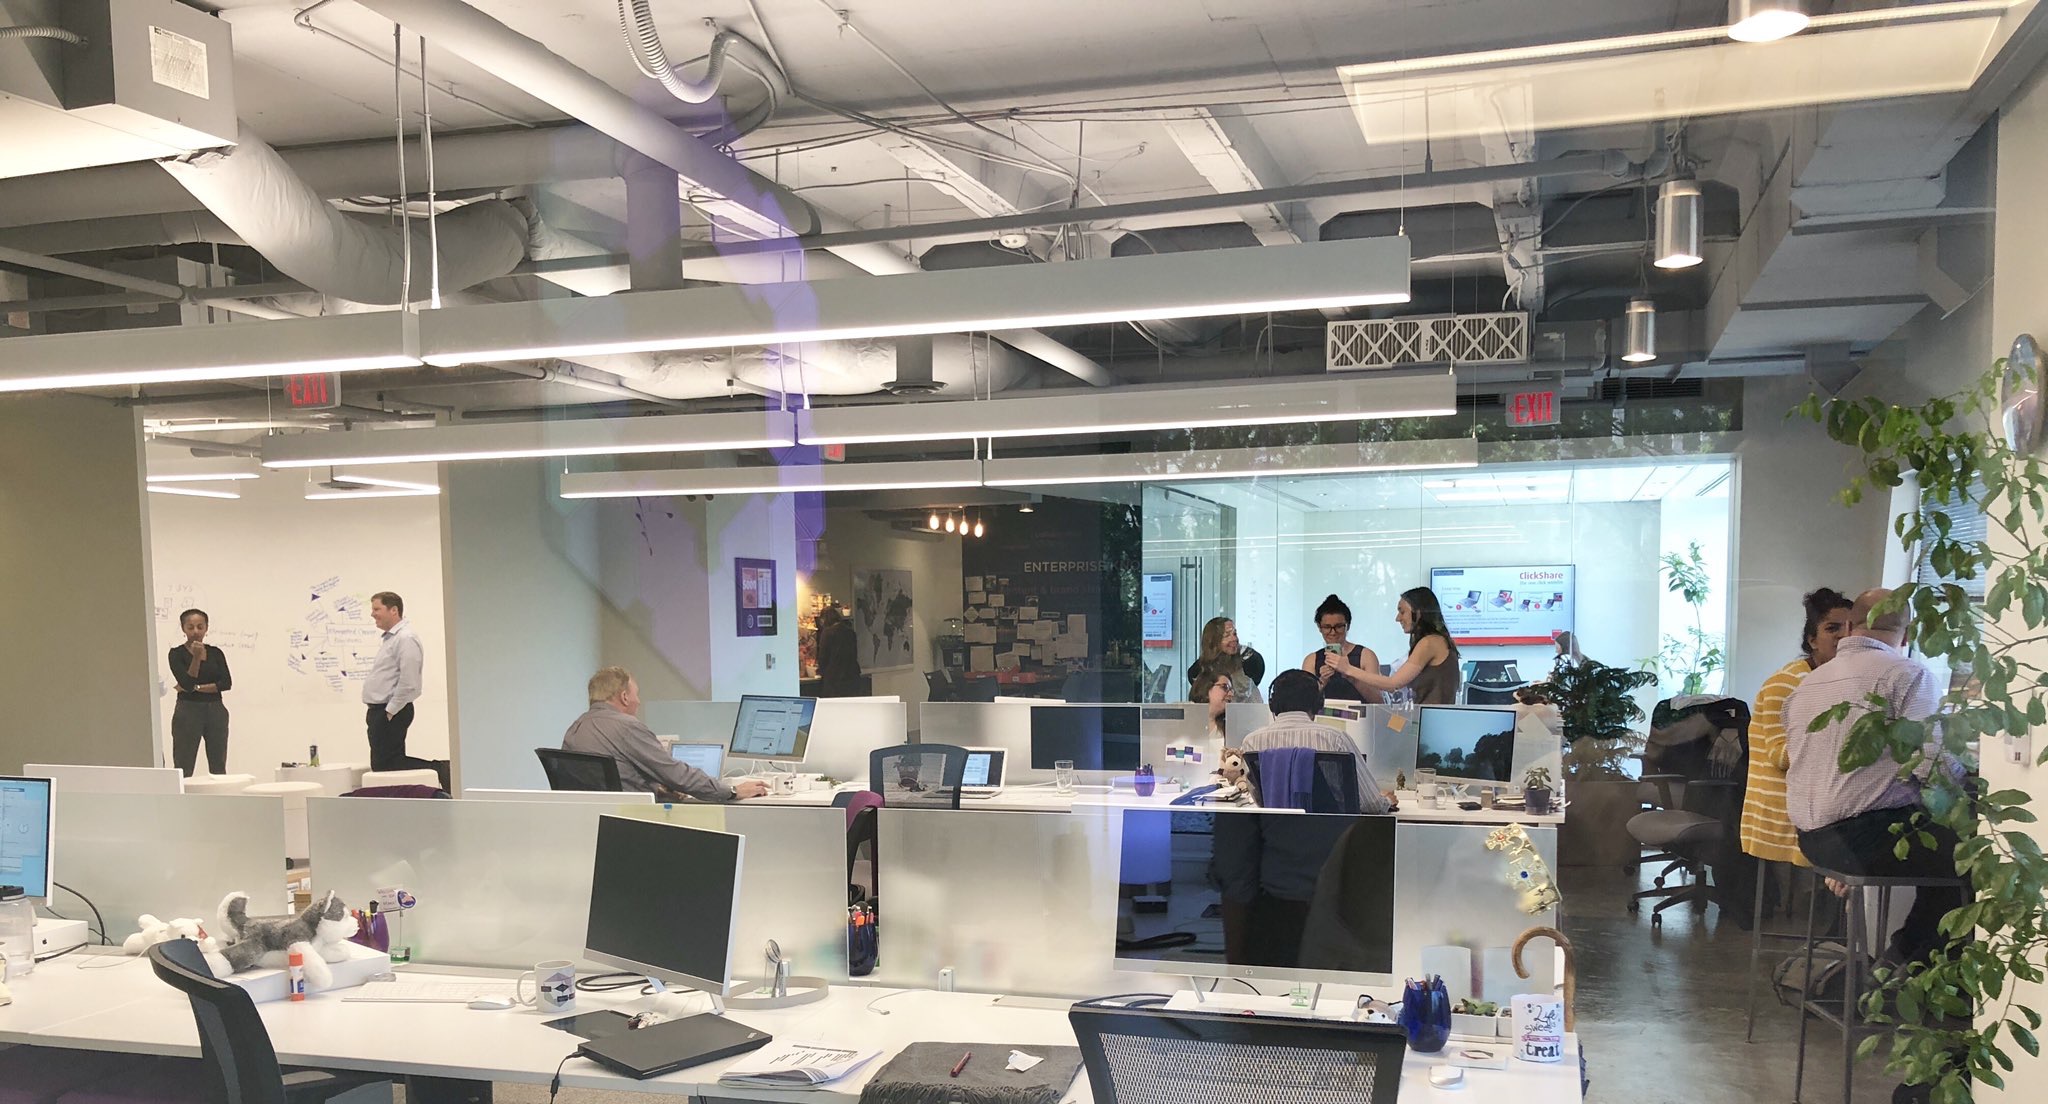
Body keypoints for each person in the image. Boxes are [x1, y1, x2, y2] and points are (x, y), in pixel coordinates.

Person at [1785, 588, 1965, 965]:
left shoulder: (1807, 684)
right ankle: (1906, 971)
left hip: (1812, 839)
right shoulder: (1908, 674)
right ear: (1908, 634)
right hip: (1866, 837)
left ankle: (1896, 967)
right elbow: (1933, 764)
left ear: (1850, 627)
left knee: (1942, 858)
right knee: (1970, 858)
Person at [1740, 587, 1853, 870]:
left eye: (1849, 628)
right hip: (1784, 815)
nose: (1843, 636)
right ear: (1812, 640)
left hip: (1819, 808)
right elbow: (1779, 755)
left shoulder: (1838, 680)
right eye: (1832, 628)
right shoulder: (1787, 683)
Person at [564, 667, 769, 801]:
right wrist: (732, 791)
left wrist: (658, 789)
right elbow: (678, 775)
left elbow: (610, 783)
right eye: (637, 695)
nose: (639, 701)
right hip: (634, 824)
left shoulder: (575, 729)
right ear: (624, 697)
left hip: (594, 824)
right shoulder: (627, 727)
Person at [1239, 669, 1391, 813]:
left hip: (1277, 829)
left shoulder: (1252, 742)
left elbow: (1261, 799)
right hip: (1331, 830)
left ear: (1273, 704)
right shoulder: (1335, 738)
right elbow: (1372, 804)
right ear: (1318, 704)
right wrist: (1386, 801)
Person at [1330, 587, 1462, 705]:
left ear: (1418, 613)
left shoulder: (1430, 643)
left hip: (1431, 719)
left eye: (1402, 612)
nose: (1398, 618)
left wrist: (1348, 669)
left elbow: (1393, 684)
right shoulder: (1437, 641)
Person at [361, 591, 438, 777]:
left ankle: (441, 770)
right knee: (384, 766)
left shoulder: (405, 638)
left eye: (377, 609)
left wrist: (390, 711)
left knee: (388, 765)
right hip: (381, 710)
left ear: (393, 610)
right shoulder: (391, 639)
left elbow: (410, 682)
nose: (372, 614)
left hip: (391, 711)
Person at [167, 608, 232, 776]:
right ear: (183, 628)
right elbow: (187, 683)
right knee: (184, 764)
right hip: (188, 709)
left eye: (200, 627)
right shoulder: (176, 654)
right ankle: (182, 793)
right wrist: (196, 657)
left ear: (206, 628)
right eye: (190, 627)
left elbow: (226, 683)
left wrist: (197, 688)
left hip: (215, 709)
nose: (196, 631)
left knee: (218, 764)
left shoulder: (216, 653)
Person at [1301, 595, 1380, 702]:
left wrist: (1352, 676)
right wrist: (1322, 681)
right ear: (1320, 627)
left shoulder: (1365, 656)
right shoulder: (1311, 660)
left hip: (1360, 712)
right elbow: (1305, 702)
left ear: (1348, 626)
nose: (1333, 632)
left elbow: (1378, 701)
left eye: (1338, 627)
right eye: (1327, 627)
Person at [1190, 617, 1263, 705]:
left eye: (1234, 634)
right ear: (1213, 640)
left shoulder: (1249, 661)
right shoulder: (1199, 670)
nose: (1234, 639)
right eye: (1227, 635)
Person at [814, 606, 863, 697]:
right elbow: (854, 654)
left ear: (824, 619)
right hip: (852, 675)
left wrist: (820, 670)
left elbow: (823, 656)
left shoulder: (827, 633)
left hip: (834, 678)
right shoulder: (850, 632)